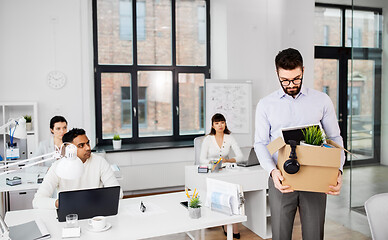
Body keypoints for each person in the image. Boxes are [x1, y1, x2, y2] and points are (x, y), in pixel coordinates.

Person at [254, 48, 345, 240]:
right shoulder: (266, 104)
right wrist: (272, 172)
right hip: (281, 178)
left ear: (303, 70)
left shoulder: (321, 100)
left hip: (316, 176)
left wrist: (338, 170)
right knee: (280, 235)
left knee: (314, 235)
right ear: (277, 74)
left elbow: (335, 138)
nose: (291, 84)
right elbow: (261, 143)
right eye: (285, 80)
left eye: (296, 79)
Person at [32, 128, 123, 209]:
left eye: (88, 143)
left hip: (96, 211)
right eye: (81, 145)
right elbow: (37, 201)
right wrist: (59, 203)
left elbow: (118, 193)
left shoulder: (100, 162)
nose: (88, 148)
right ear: (69, 149)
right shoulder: (58, 167)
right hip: (70, 214)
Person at [199, 113, 243, 239]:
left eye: (222, 122)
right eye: (217, 123)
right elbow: (202, 159)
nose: (220, 125)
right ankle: (224, 222)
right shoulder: (208, 139)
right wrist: (215, 163)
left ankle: (230, 223)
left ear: (225, 124)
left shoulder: (229, 137)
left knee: (233, 192)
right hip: (212, 172)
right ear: (212, 125)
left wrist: (228, 161)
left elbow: (240, 156)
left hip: (227, 171)